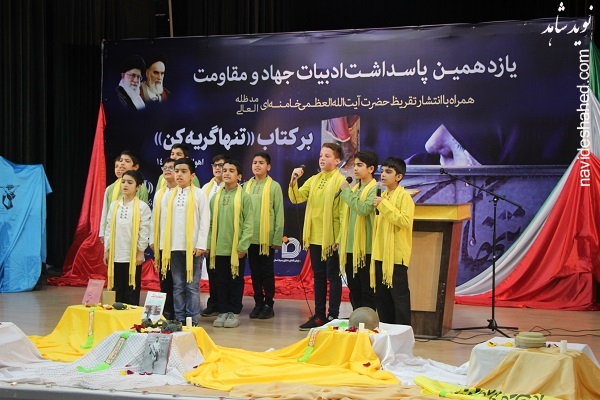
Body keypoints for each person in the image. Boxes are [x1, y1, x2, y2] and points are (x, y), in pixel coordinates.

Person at [289, 143, 346, 330]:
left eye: (327, 156)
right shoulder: (314, 180)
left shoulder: (341, 181)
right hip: (314, 236)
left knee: (333, 276)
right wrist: (293, 181)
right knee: (319, 276)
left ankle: (333, 315)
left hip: (331, 238)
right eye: (321, 155)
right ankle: (319, 315)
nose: (322, 159)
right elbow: (297, 197)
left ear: (337, 160)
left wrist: (339, 238)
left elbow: (343, 213)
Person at [151, 158, 209, 326]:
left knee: (192, 285)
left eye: (183, 171)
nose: (179, 175)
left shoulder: (199, 194)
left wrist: (201, 245)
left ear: (192, 175)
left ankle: (192, 319)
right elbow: (163, 221)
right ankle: (179, 318)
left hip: (193, 247)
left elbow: (205, 221)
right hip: (173, 246)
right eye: (177, 171)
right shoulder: (168, 195)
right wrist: (163, 245)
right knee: (177, 285)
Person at [207, 159, 253, 328]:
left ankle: (233, 312)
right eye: (224, 170)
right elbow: (210, 223)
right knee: (220, 281)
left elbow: (248, 224)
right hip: (218, 248)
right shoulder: (215, 198)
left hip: (236, 249)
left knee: (235, 281)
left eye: (231, 171)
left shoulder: (244, 198)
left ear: (239, 176)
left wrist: (242, 246)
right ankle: (222, 311)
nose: (226, 173)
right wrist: (209, 244)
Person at [371, 157, 415, 326]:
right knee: (382, 298)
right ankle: (386, 330)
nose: (383, 175)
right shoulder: (382, 195)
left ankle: (402, 333)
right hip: (380, 253)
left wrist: (383, 205)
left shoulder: (404, 197)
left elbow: (404, 221)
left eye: (388, 172)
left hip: (396, 256)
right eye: (382, 171)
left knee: (399, 298)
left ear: (399, 177)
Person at [243, 152, 284, 319]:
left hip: (266, 238)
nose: (257, 165)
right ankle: (258, 302)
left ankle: (268, 304)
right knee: (254, 272)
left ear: (269, 167)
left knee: (267, 272)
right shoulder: (245, 186)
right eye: (254, 162)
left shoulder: (274, 186)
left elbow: (279, 213)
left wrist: (277, 238)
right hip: (250, 237)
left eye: (261, 162)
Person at [336, 150, 378, 311]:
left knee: (367, 289)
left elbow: (363, 209)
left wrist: (345, 191)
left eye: (360, 165)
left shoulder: (375, 189)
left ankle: (368, 320)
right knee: (354, 288)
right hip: (350, 246)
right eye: (354, 165)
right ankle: (357, 318)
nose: (355, 168)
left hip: (365, 248)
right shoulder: (355, 188)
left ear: (371, 168)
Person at [103, 170, 151, 305]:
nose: (125, 185)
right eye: (123, 182)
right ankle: (116, 314)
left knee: (131, 288)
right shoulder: (114, 206)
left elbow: (144, 231)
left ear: (138, 186)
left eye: (130, 182)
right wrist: (106, 249)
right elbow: (108, 228)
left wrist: (140, 252)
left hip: (132, 254)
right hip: (116, 253)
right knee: (116, 287)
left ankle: (131, 315)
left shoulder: (142, 207)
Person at [99, 150, 149, 244]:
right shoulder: (110, 188)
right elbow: (105, 211)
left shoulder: (141, 188)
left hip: (131, 233)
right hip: (113, 232)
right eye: (121, 160)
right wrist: (102, 232)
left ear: (135, 167)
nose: (122, 163)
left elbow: (143, 214)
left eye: (127, 161)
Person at [200, 154, 228, 317]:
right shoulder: (206, 188)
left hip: (225, 236)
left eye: (221, 165)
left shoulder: (231, 187)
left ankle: (225, 305)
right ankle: (213, 303)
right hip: (209, 237)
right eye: (215, 165)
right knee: (212, 272)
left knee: (224, 274)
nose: (218, 168)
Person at [151, 158, 177, 320]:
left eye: (171, 168)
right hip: (161, 242)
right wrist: (152, 240)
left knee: (178, 280)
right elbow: (154, 217)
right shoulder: (160, 193)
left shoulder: (184, 192)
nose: (167, 170)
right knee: (164, 277)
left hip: (178, 243)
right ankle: (166, 309)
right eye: (165, 167)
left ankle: (178, 310)